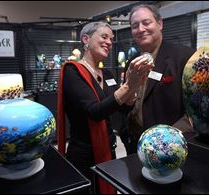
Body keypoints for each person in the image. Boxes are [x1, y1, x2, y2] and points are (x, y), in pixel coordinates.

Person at [57, 21, 153, 194]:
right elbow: (95, 112)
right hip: (84, 154)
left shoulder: (107, 74)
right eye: (104, 36)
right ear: (86, 39)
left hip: (108, 150)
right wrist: (128, 86)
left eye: (111, 38)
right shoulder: (73, 71)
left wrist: (135, 86)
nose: (109, 42)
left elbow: (122, 108)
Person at [119, 4, 196, 155]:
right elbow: (127, 102)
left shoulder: (185, 57)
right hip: (133, 145)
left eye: (146, 23)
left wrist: (164, 139)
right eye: (135, 26)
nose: (141, 29)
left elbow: (196, 111)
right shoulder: (131, 62)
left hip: (168, 150)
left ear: (159, 24)